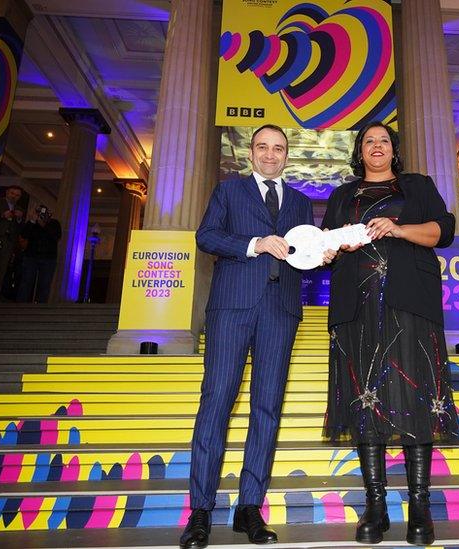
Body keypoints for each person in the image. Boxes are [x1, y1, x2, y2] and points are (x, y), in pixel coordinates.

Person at [182, 125, 330, 549]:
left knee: (267, 408)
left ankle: (250, 507)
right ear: (251, 153)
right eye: (263, 147)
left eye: (278, 148)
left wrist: (324, 255)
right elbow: (205, 236)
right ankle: (200, 511)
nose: (270, 154)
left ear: (287, 154)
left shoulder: (301, 202)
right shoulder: (229, 192)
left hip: (280, 312)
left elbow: (304, 259)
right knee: (216, 402)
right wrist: (254, 243)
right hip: (231, 308)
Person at [321, 121, 459, 546]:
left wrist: (398, 229)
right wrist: (330, 248)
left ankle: (420, 510)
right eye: (369, 141)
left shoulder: (417, 186)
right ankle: (375, 507)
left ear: (393, 150)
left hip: (410, 306)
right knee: (367, 402)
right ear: (359, 151)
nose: (376, 146)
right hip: (356, 311)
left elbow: (444, 230)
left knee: (417, 399)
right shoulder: (343, 194)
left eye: (383, 140)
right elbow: (324, 245)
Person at [16, 205, 61, 303]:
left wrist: (43, 224)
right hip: (31, 256)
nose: (41, 215)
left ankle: (40, 306)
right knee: (26, 281)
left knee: (44, 284)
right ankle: (21, 304)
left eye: (44, 213)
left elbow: (56, 236)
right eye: (39, 212)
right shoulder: (32, 224)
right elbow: (23, 235)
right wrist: (32, 221)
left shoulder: (54, 223)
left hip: (48, 258)